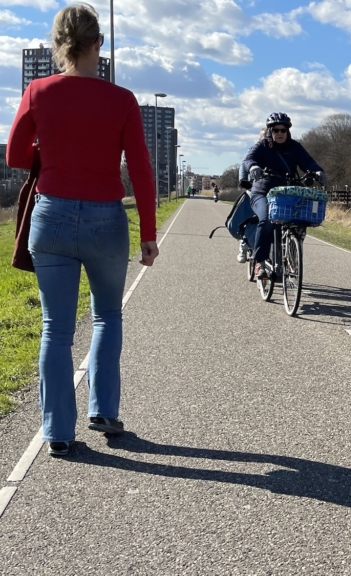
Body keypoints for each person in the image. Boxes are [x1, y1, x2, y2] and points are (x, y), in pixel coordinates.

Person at [6, 3, 158, 457]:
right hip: (105, 220)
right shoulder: (122, 100)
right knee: (107, 315)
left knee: (55, 328)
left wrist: (50, 155)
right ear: (99, 44)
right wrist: (148, 234)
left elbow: (15, 155)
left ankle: (57, 431)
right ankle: (104, 410)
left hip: (51, 216)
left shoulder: (38, 90)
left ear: (59, 45)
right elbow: (142, 169)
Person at [241, 112, 326, 276]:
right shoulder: (263, 146)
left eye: (283, 130)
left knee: (300, 221)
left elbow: (308, 162)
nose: (280, 133)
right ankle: (260, 262)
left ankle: (291, 254)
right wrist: (253, 167)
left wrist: (317, 171)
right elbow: (248, 159)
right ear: (270, 131)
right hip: (262, 193)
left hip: (286, 193)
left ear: (288, 131)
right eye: (276, 130)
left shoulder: (294, 147)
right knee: (267, 219)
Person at [237, 126, 267, 263]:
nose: (267, 138)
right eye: (264, 136)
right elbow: (244, 163)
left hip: (272, 188)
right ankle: (244, 243)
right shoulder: (255, 149)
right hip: (254, 187)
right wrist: (243, 180)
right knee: (253, 217)